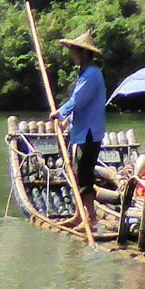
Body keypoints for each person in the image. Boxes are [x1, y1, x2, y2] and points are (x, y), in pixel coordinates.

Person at [55, 31, 106, 230]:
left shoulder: (92, 74)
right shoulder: (85, 72)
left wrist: (58, 113)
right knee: (77, 174)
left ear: (84, 53)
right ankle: (79, 215)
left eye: (75, 51)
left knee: (85, 176)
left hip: (89, 133)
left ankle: (90, 217)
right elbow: (81, 104)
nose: (73, 55)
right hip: (82, 130)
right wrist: (66, 119)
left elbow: (78, 100)